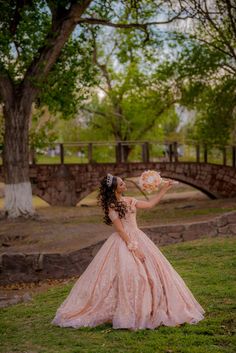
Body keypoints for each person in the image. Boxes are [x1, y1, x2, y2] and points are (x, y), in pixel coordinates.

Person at [52, 174, 205, 330]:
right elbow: (119, 229)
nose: (124, 184)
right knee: (129, 274)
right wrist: (134, 248)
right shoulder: (111, 205)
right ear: (115, 189)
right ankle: (128, 311)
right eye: (121, 184)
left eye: (123, 182)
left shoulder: (130, 200)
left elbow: (150, 204)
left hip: (138, 236)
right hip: (124, 240)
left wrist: (164, 189)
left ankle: (150, 308)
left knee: (153, 273)